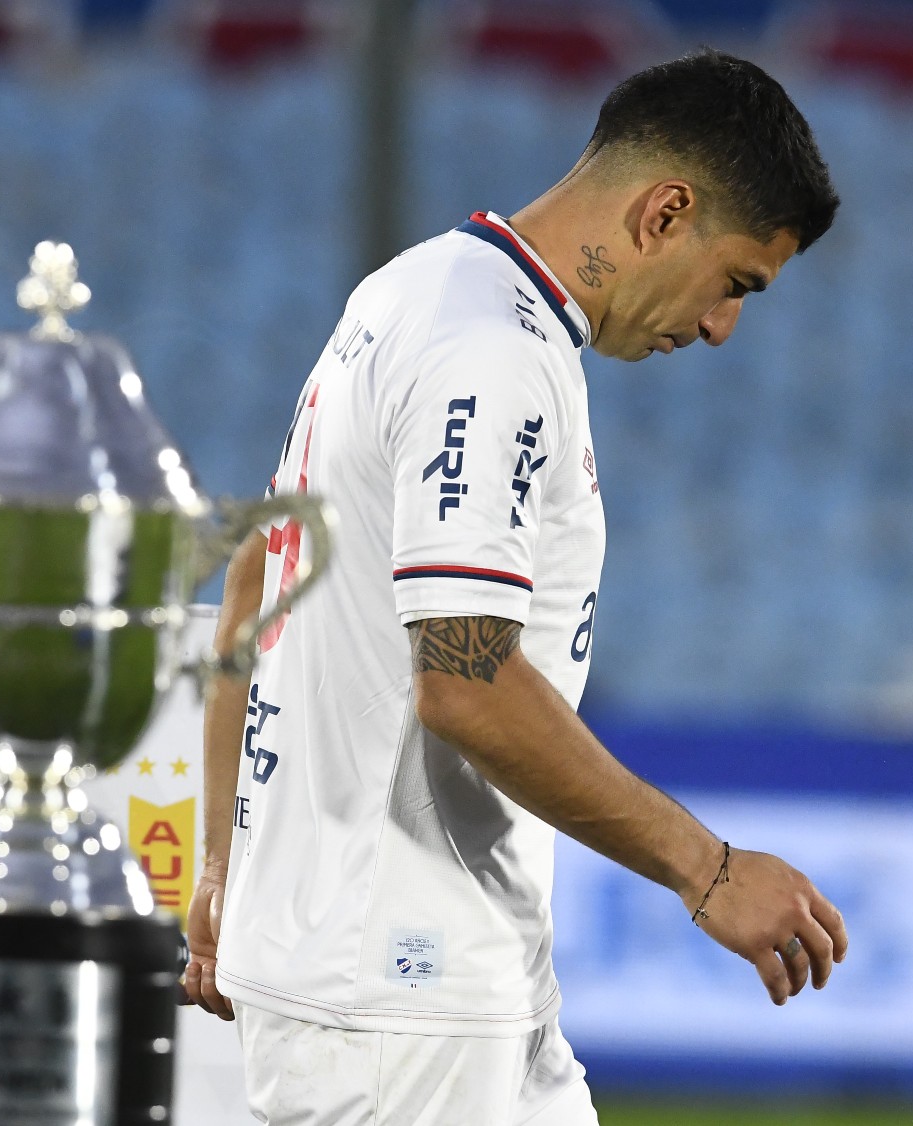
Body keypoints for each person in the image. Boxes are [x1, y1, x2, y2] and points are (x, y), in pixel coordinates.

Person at [182, 48, 848, 1126]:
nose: (722, 326)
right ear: (664, 213)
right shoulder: (490, 354)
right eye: (736, 283)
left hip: (441, 967)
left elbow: (261, 569)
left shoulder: (408, 292)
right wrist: (706, 868)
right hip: (397, 990)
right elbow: (465, 680)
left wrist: (225, 866)